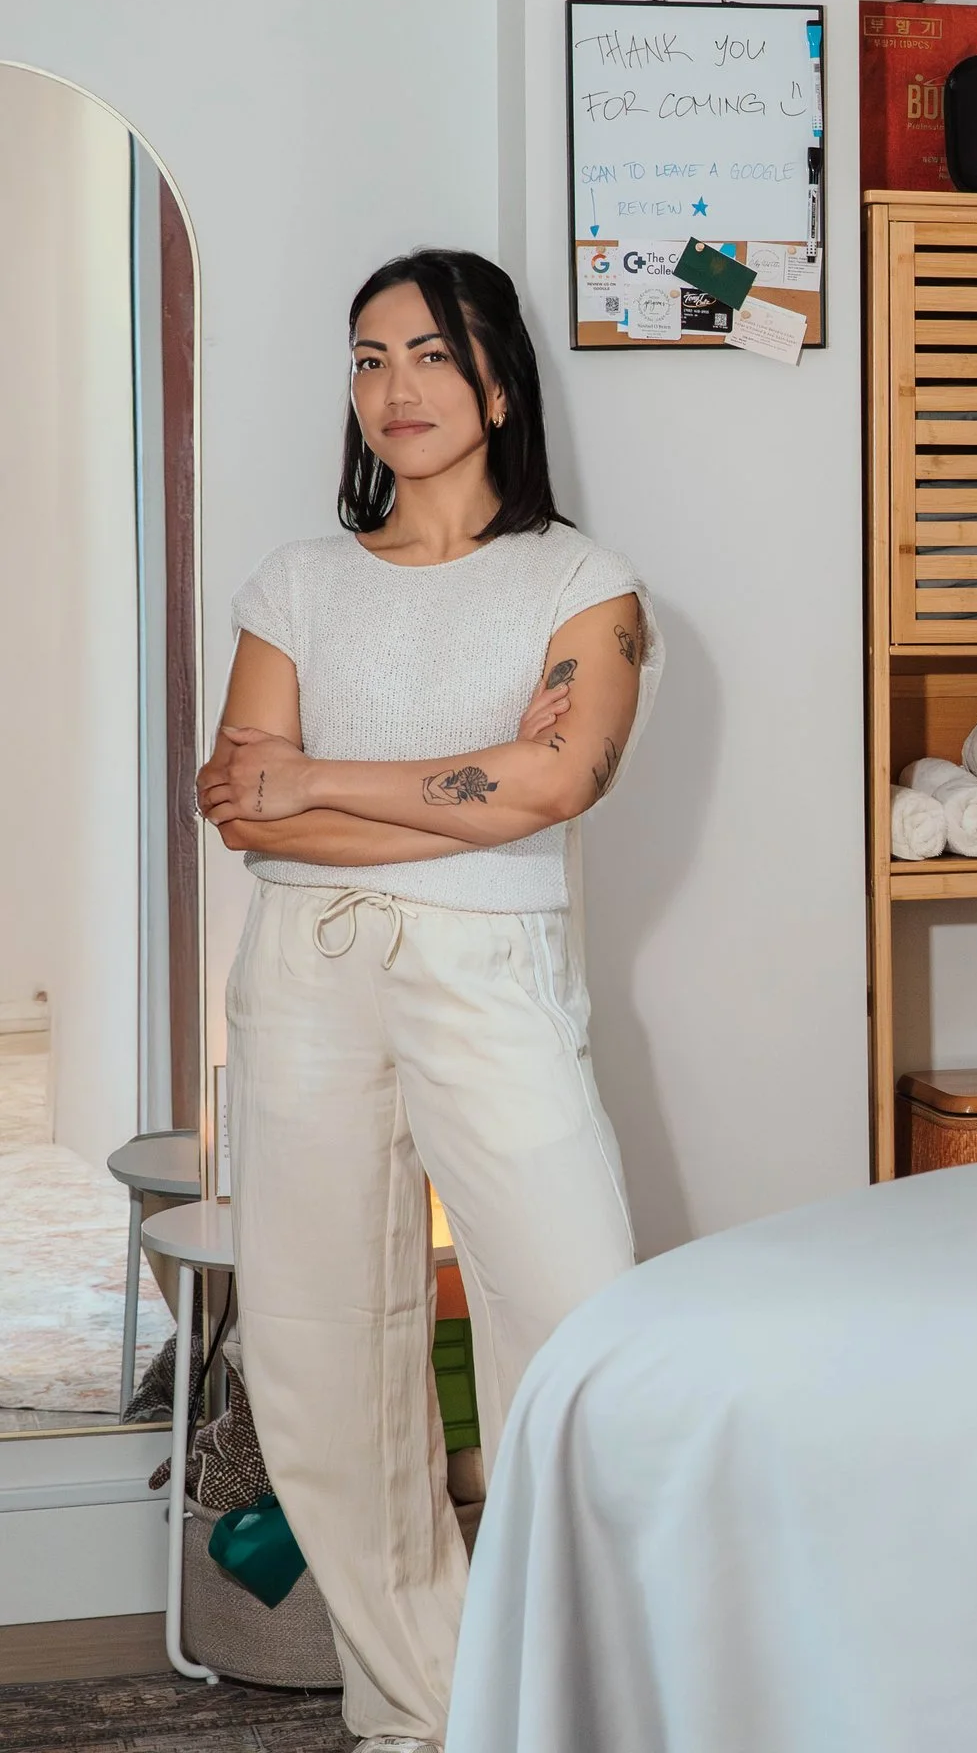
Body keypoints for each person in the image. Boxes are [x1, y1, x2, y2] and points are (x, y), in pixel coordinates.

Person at [195, 248, 659, 1753]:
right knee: (322, 1345)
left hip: (488, 969)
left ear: (500, 384)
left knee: (577, 1314)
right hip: (306, 968)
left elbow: (558, 781)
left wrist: (322, 781)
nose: (397, 387)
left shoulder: (582, 584)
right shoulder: (299, 582)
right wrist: (473, 800)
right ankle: (423, 1708)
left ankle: (557, 1688)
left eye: (433, 354)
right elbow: (243, 812)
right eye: (369, 358)